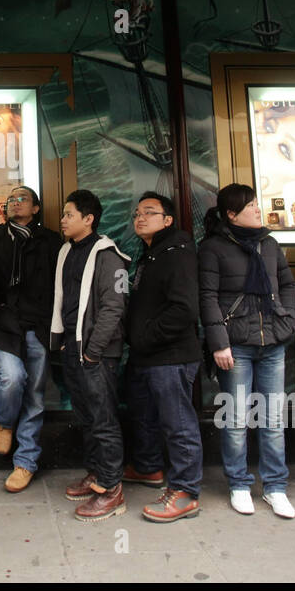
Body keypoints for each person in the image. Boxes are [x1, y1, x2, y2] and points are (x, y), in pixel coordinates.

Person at [198, 183, 295, 519]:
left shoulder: (269, 244)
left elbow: (286, 285)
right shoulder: (213, 248)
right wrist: (219, 343)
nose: (258, 209)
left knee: (272, 419)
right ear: (231, 213)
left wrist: (289, 321)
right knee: (237, 418)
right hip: (235, 346)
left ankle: (275, 487)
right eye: (252, 205)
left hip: (272, 342)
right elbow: (208, 298)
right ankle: (239, 484)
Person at [123, 191, 204, 523]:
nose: (140, 217)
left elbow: (184, 309)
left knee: (178, 424)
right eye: (137, 213)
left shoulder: (177, 252)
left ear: (167, 220)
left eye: (149, 212)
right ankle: (148, 468)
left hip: (170, 355)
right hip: (146, 355)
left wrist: (145, 337)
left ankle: (185, 492)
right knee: (142, 413)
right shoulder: (151, 253)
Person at [52, 188, 130, 521]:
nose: (63, 220)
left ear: (89, 219)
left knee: (104, 420)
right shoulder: (68, 251)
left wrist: (94, 352)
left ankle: (112, 489)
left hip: (96, 353)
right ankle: (97, 474)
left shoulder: (107, 254)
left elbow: (114, 307)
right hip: (74, 347)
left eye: (69, 214)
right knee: (87, 417)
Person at [0, 184, 63, 492]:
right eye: (10, 199)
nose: (15, 203)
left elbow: (60, 286)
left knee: (36, 395)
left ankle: (25, 461)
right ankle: (4, 421)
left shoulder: (51, 241)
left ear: (36, 208)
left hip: (40, 324)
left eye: (22, 198)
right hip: (6, 323)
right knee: (12, 378)